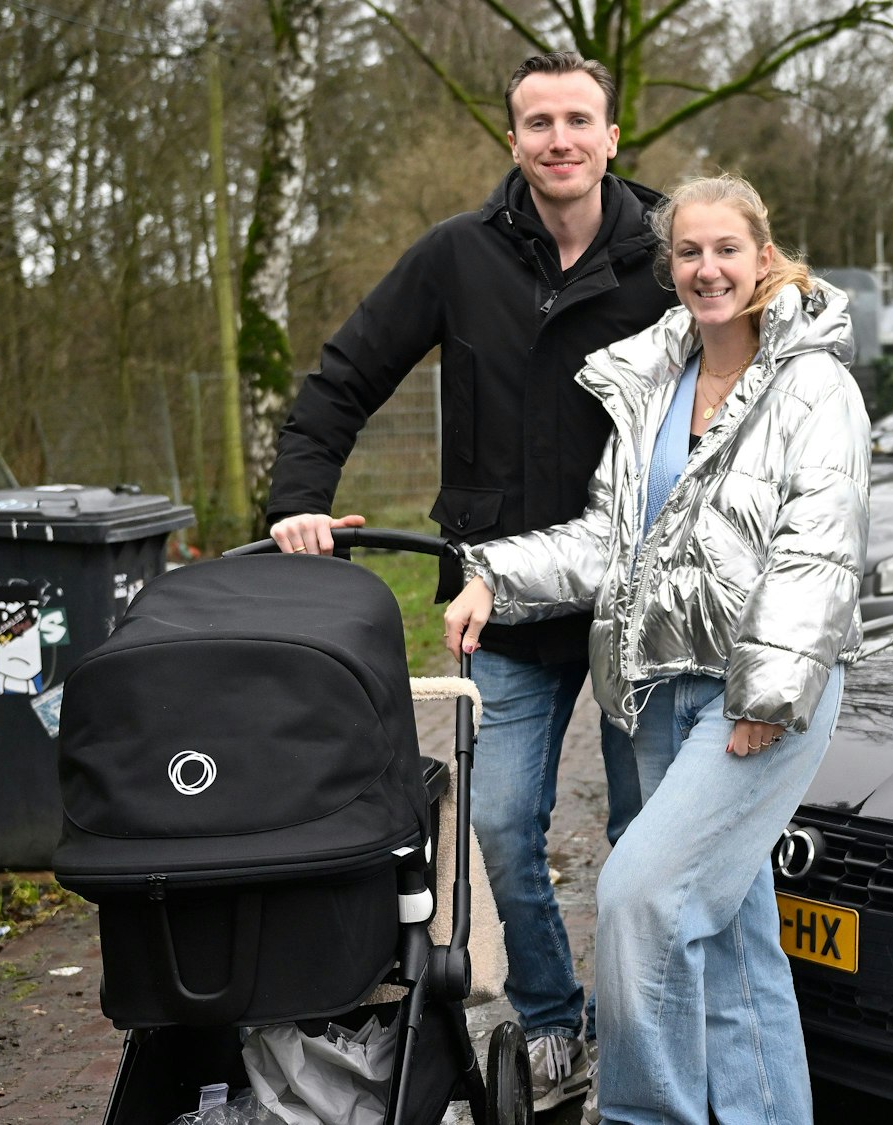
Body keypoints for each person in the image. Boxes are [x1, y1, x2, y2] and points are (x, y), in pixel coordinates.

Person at [262, 51, 676, 1114]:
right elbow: (344, 374)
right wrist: (295, 499)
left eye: (576, 119)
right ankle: (549, 1025)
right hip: (494, 593)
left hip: (638, 597)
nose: (558, 140)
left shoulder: (668, 252)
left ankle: (640, 1036)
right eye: (536, 122)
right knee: (493, 830)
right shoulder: (457, 256)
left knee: (645, 845)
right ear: (512, 140)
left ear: (611, 136)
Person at [444, 174, 869, 1125]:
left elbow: (821, 549)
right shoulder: (657, 383)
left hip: (759, 697)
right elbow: (608, 539)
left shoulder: (813, 386)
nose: (707, 269)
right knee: (733, 934)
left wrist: (764, 694)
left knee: (639, 896)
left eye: (727, 249)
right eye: (688, 252)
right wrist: (493, 577)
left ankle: (643, 1116)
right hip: (659, 689)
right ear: (666, 265)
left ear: (764, 257)